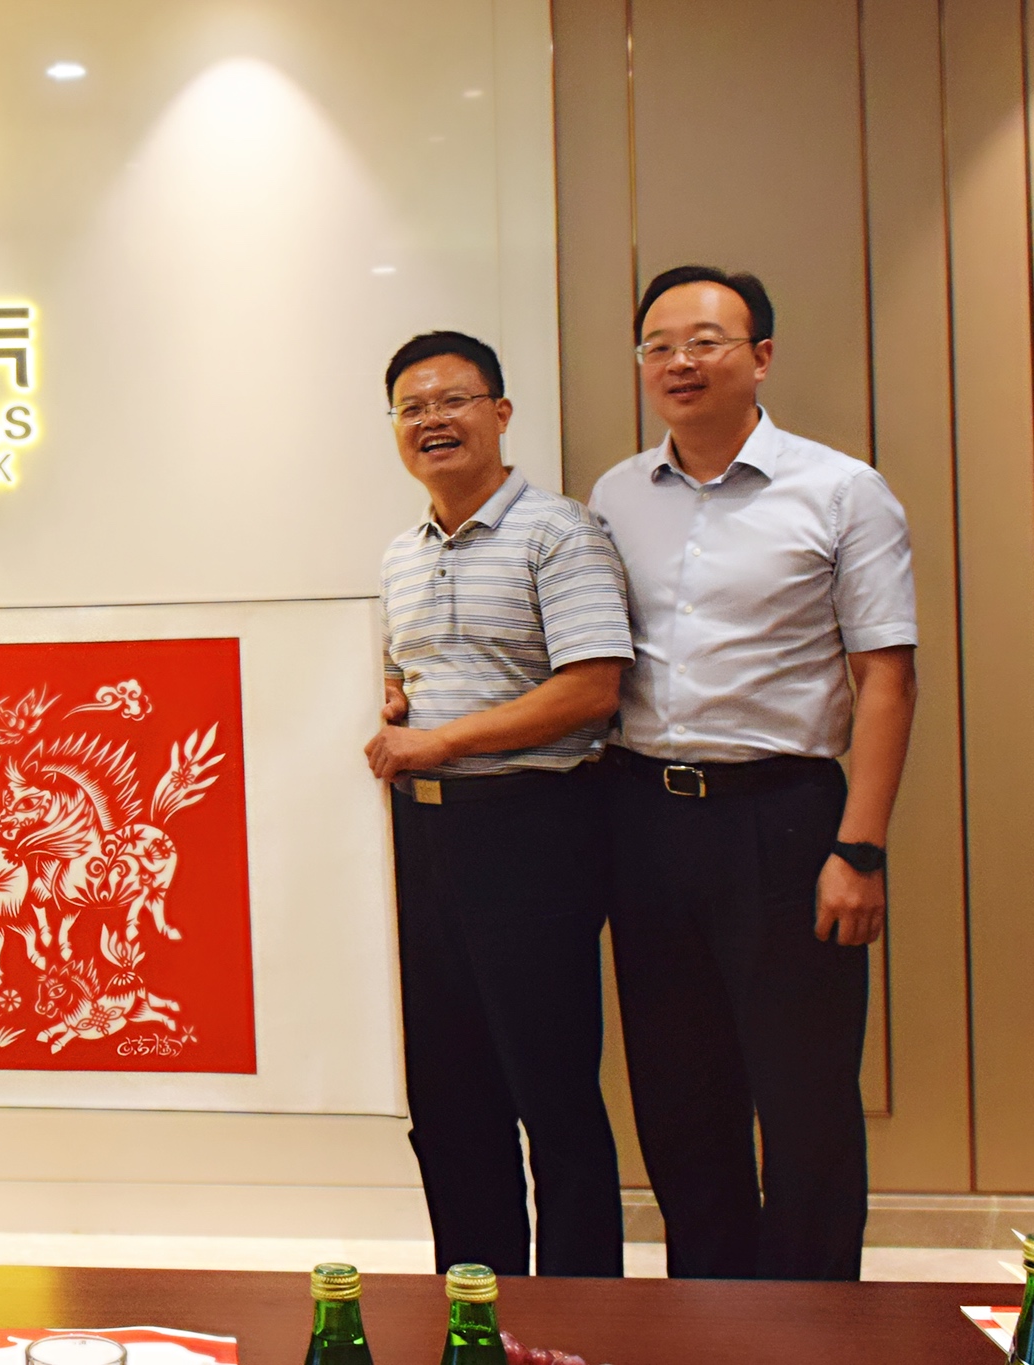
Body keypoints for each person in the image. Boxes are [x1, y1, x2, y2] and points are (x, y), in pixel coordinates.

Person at [589, 266, 916, 1282]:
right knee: (680, 1098)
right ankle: (708, 1317)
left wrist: (859, 849)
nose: (677, 362)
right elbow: (578, 654)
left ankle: (815, 1329)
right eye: (657, 345)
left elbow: (886, 679)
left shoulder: (842, 491)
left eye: (704, 341)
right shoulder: (613, 496)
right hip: (644, 819)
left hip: (784, 822)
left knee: (805, 1098)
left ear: (760, 356)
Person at [366, 331, 631, 1277]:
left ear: (501, 412)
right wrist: (395, 704)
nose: (433, 420)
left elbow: (592, 688)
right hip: (426, 835)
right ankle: (477, 1306)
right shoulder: (401, 555)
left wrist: (440, 740)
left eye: (454, 400)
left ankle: (580, 1314)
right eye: (413, 408)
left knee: (551, 1092)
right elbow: (410, 679)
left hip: (534, 830)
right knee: (449, 1096)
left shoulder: (559, 532)